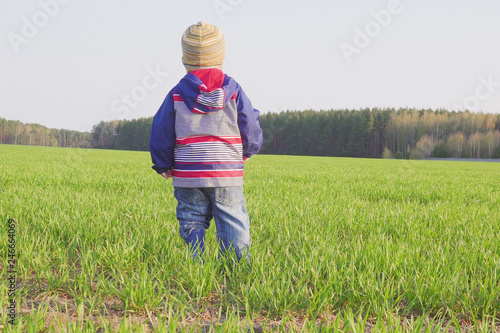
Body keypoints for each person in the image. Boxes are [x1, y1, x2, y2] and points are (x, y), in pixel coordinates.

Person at [149, 22, 263, 263]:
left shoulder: (177, 93)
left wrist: (162, 164)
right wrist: (249, 150)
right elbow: (249, 122)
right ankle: (236, 268)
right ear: (221, 55)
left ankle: (196, 265)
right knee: (232, 217)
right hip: (226, 171)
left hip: (188, 172)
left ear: (184, 59)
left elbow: (161, 129)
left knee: (191, 218)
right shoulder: (233, 91)